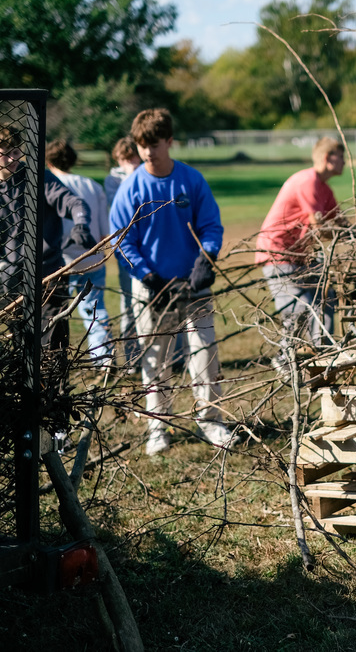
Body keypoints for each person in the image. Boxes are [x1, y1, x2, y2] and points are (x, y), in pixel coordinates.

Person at [108, 108, 236, 456]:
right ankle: (157, 427)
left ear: (169, 142)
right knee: (155, 358)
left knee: (204, 352)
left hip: (192, 285)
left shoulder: (191, 181)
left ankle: (212, 421)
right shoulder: (131, 188)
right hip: (151, 287)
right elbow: (121, 239)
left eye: (154, 144)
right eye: (142, 145)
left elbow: (210, 225)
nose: (148, 152)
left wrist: (204, 261)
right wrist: (147, 275)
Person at [0, 123, 96, 350]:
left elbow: (73, 202)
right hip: (12, 281)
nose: (12, 158)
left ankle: (53, 386)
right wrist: (3, 266)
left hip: (50, 275)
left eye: (16, 152)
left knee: (54, 345)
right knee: (21, 347)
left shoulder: (39, 179)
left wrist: (81, 223)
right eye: (5, 153)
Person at [255, 137, 347, 361]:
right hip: (278, 253)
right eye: (341, 157)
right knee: (297, 308)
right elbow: (319, 229)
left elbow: (341, 221)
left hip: (299, 257)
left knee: (325, 296)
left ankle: (319, 353)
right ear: (327, 158)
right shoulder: (308, 181)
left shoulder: (323, 189)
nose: (345, 162)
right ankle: (284, 359)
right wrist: (340, 233)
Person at [46, 139, 113, 368]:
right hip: (90, 256)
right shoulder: (92, 185)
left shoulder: (49, 184)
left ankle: (54, 359)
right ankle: (102, 357)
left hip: (60, 260)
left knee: (55, 313)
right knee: (95, 309)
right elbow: (105, 230)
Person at [103, 136, 142, 367]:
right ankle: (132, 358)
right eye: (124, 159)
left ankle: (172, 355)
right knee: (129, 302)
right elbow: (118, 205)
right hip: (126, 248)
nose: (130, 162)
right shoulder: (113, 180)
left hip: (150, 247)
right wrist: (131, 176)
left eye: (133, 158)